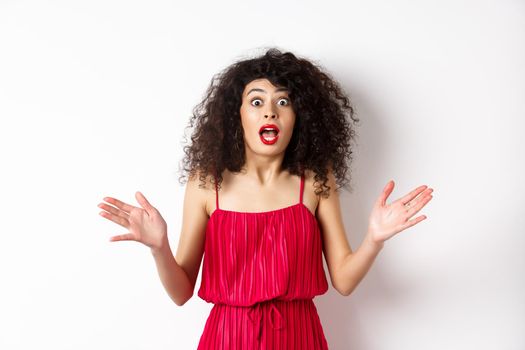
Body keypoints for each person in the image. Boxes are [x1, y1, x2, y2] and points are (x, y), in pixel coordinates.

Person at [97, 47, 434, 349]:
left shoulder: (315, 181)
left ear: (298, 117)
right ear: (237, 115)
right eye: (256, 102)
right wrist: (159, 248)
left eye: (283, 102)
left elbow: (343, 281)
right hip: (228, 339)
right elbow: (181, 292)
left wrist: (374, 239)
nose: (270, 112)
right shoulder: (206, 183)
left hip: (299, 338)